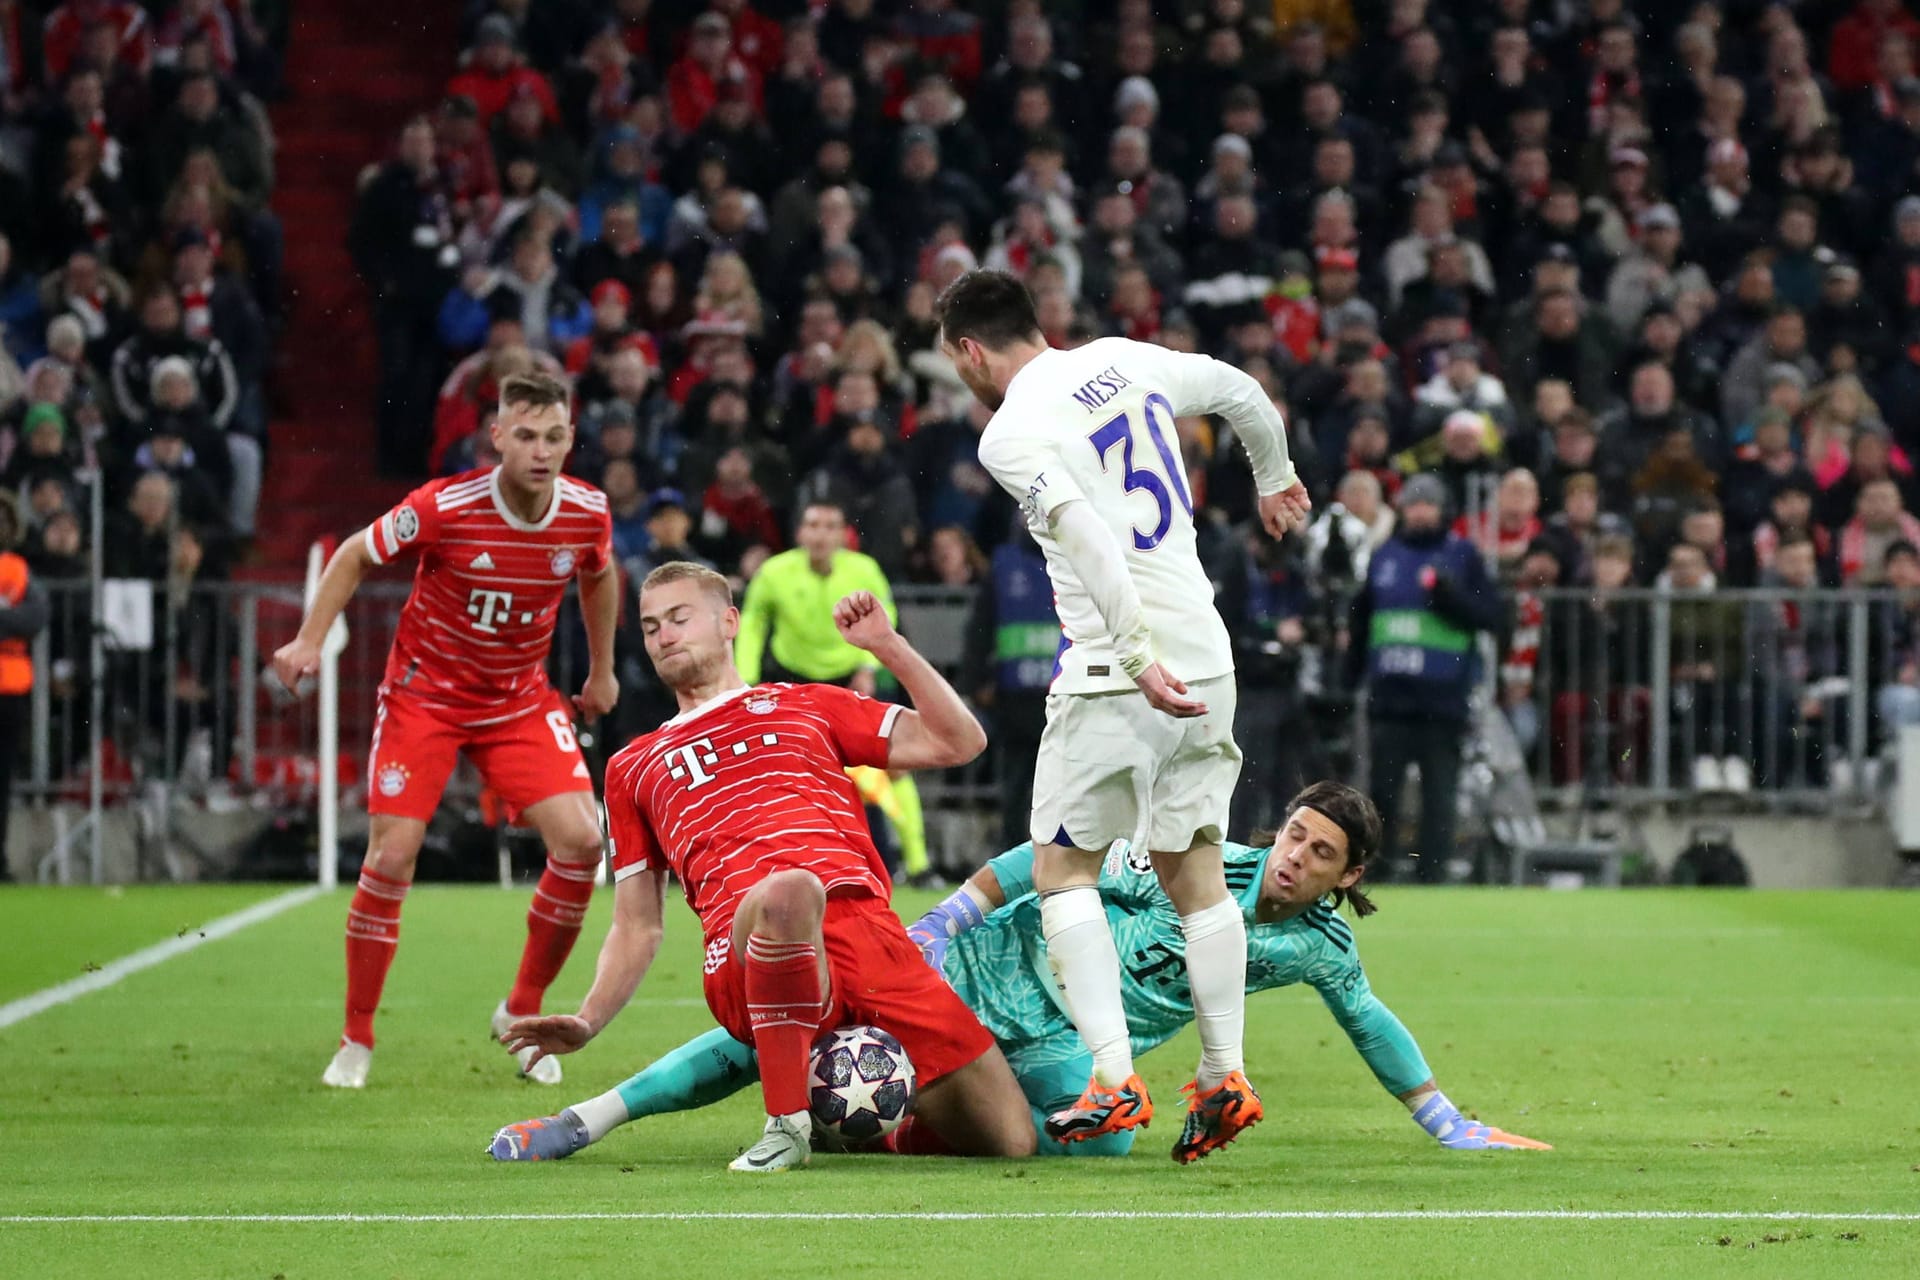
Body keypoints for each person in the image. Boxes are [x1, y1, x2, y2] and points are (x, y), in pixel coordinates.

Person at [489, 783, 1550, 1161]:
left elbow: (1371, 1020)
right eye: (1293, 834)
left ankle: (886, 1123)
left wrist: (1442, 1117)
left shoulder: (1316, 947)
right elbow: (1050, 864)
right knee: (782, 1018)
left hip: (1061, 1046)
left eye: (1319, 853)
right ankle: (589, 1118)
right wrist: (953, 912)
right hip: (987, 973)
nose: (1292, 856)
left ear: (1346, 875)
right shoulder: (1200, 860)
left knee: (1114, 1138)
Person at [937, 269, 1309, 1161]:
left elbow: (1082, 533)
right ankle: (1224, 1076)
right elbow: (1239, 389)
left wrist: (1135, 654)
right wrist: (1276, 476)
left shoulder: (1011, 429)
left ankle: (1111, 1077)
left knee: (1064, 871)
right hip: (1210, 654)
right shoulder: (1120, 359)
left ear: (969, 351)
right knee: (1196, 872)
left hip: (1118, 669)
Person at [499, 563, 1033, 1173]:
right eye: (649, 628)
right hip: (747, 942)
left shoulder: (806, 704)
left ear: (729, 622)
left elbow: (960, 742)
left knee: (1008, 1140)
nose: (663, 637)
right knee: (791, 889)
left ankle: (854, 1126)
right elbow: (637, 924)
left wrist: (888, 646)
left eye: (678, 618)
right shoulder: (632, 767)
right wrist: (589, 1018)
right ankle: (786, 1123)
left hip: (874, 938)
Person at [270, 372, 620, 1090]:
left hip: (519, 701)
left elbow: (598, 575)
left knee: (583, 842)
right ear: (496, 437)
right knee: (393, 854)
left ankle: (521, 1018)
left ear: (571, 440)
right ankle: (357, 1037)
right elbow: (352, 555)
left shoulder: (587, 511)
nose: (541, 451)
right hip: (424, 698)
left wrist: (603, 669)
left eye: (555, 436)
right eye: (525, 435)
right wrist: (309, 640)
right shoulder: (446, 506)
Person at [732, 499, 930, 883]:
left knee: (896, 765)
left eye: (829, 526)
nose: (821, 534)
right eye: (813, 525)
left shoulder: (864, 569)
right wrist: (746, 683)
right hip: (794, 680)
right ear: (801, 533)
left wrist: (868, 667)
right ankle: (771, 861)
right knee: (781, 773)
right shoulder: (774, 573)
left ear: (842, 535)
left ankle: (919, 865)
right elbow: (753, 625)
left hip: (849, 678)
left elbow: (884, 620)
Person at [1348, 473, 1505, 882]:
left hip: (1442, 700)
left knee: (1440, 796)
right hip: (1391, 699)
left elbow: (1492, 615)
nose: (1420, 511)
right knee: (1382, 795)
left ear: (1442, 510)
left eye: (1427, 504)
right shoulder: (1384, 556)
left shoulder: (1463, 556)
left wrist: (1450, 596)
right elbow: (1362, 623)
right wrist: (1350, 680)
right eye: (1413, 504)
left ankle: (1432, 875)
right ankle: (1376, 873)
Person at [0, 493, 49, 882]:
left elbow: (35, 617)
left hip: (11, 683)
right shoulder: (18, 574)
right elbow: (28, 616)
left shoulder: (17, 569)